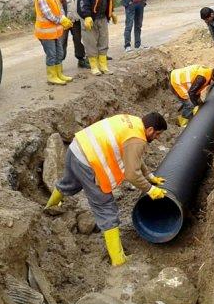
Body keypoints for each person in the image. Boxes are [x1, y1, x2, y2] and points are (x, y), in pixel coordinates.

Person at [45, 112, 168, 266]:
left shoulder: (133, 123)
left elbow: (133, 156)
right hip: (88, 162)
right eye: (157, 134)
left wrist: (149, 175)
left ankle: (49, 208)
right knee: (105, 207)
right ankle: (118, 259)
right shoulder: (137, 140)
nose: (157, 138)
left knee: (69, 183)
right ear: (150, 129)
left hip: (76, 148)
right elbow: (131, 174)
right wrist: (151, 190)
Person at [35, 0, 74, 85]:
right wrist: (61, 20)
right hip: (45, 32)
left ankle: (59, 74)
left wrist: (63, 17)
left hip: (55, 31)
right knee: (51, 54)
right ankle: (52, 77)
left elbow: (60, 8)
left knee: (59, 53)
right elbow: (49, 15)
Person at [78, 0, 117, 76]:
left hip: (102, 17)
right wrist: (86, 16)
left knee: (103, 41)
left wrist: (111, 11)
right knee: (91, 42)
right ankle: (94, 66)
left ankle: (103, 66)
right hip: (90, 18)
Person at [58, 0, 89, 69]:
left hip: (76, 20)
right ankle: (59, 64)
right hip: (64, 21)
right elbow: (53, 3)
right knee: (62, 41)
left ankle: (81, 60)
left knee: (78, 40)